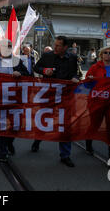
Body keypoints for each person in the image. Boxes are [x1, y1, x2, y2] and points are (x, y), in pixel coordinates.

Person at [31, 36, 79, 167]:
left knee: (65, 125)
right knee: (44, 120)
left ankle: (65, 155)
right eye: (55, 44)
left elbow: (75, 73)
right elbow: (36, 68)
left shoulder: (73, 58)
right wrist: (44, 70)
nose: (55, 47)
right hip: (49, 95)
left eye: (58, 45)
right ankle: (37, 140)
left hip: (65, 96)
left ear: (65, 48)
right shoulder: (47, 56)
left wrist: (75, 78)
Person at [0, 39, 29, 162]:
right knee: (1, 125)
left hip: (14, 99)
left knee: (16, 126)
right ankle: (2, 152)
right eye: (2, 47)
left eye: (7, 47)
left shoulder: (16, 61)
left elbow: (29, 75)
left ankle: (8, 142)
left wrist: (20, 73)